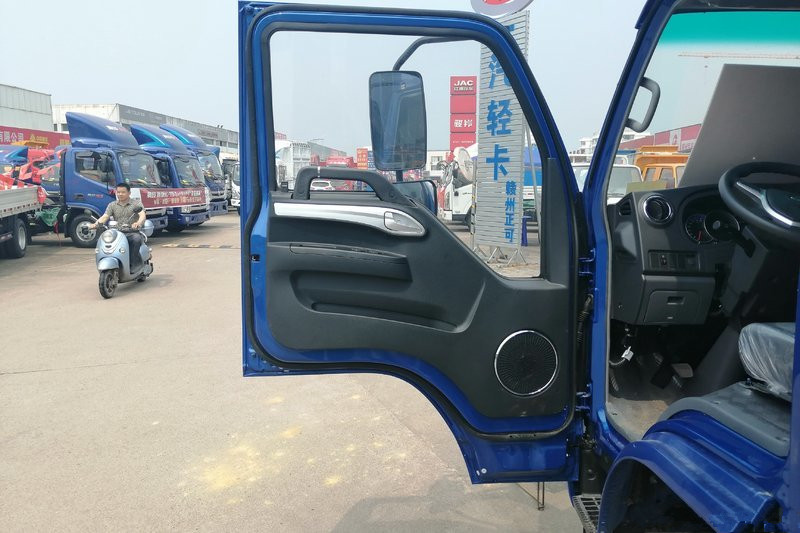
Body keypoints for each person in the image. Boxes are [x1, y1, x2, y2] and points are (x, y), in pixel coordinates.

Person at [90, 182, 147, 270]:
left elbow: (142, 215)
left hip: (132, 232)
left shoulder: (136, 204)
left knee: (136, 239)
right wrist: (95, 224)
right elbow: (105, 216)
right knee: (104, 240)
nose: (120, 194)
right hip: (117, 232)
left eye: (123, 192)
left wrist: (138, 223)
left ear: (129, 193)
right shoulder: (112, 205)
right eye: (118, 192)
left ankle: (134, 263)